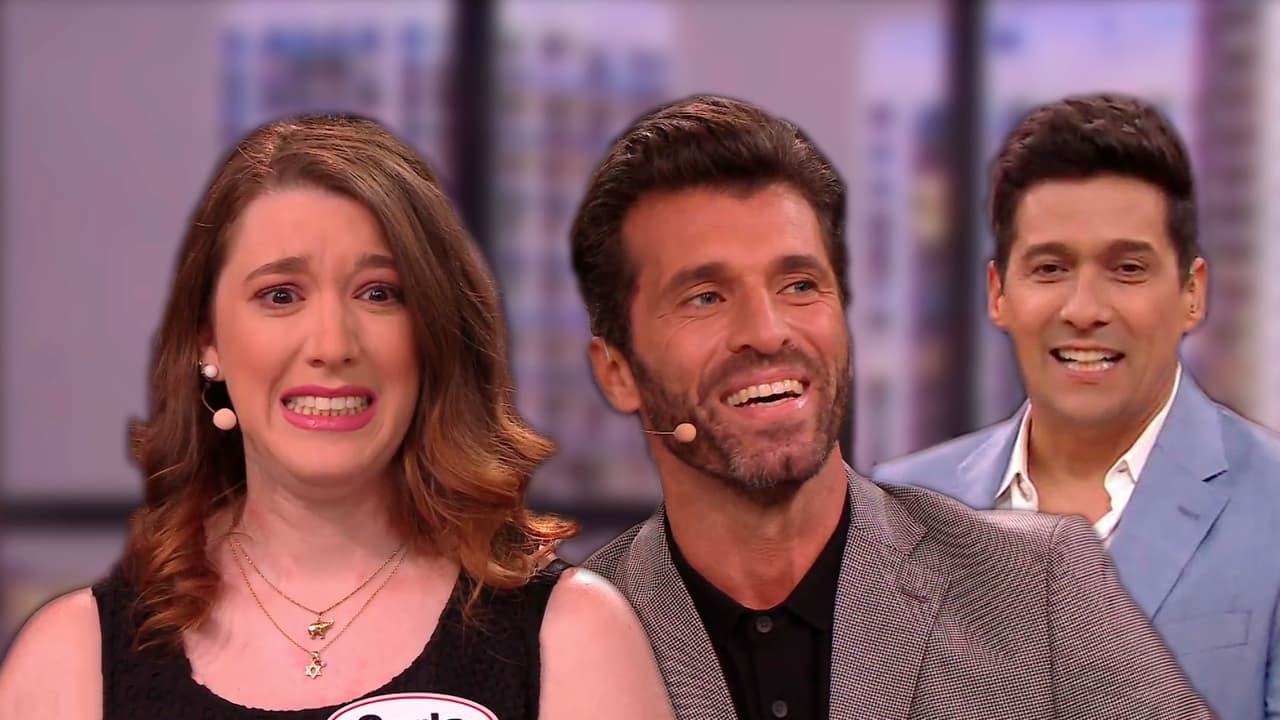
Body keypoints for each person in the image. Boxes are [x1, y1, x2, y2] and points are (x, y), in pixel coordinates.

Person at [0, 114, 674, 720]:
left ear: (434, 335)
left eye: (378, 293)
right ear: (208, 341)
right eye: (280, 295)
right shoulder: (71, 662)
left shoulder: (572, 637)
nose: (331, 344)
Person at [568, 94, 1213, 719]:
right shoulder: (565, 641)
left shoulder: (1041, 585)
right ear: (617, 372)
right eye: (706, 297)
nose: (767, 332)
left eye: (799, 285)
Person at [873, 92, 1280, 719]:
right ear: (998, 294)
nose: (1085, 309)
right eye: (1050, 268)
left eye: (1127, 268)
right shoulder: (895, 512)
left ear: (1192, 294)